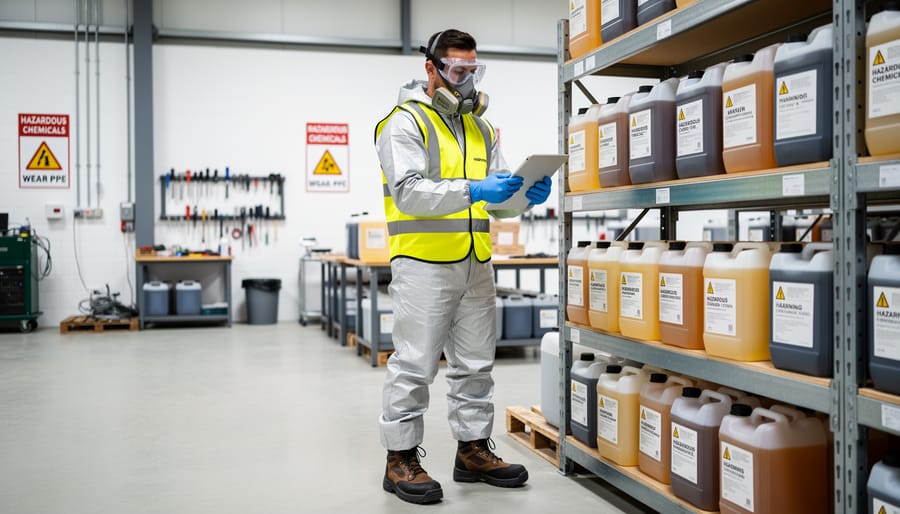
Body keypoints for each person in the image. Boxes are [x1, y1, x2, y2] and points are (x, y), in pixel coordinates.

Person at [373, 28, 554, 505]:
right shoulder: (403, 123)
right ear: (431, 69)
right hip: (423, 264)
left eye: (474, 71)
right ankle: (400, 460)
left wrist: (523, 197)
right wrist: (475, 190)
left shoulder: (483, 128)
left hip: (477, 262)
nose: (467, 82)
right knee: (414, 366)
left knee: (476, 365)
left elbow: (499, 201)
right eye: (458, 71)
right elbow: (409, 191)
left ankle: (472, 450)